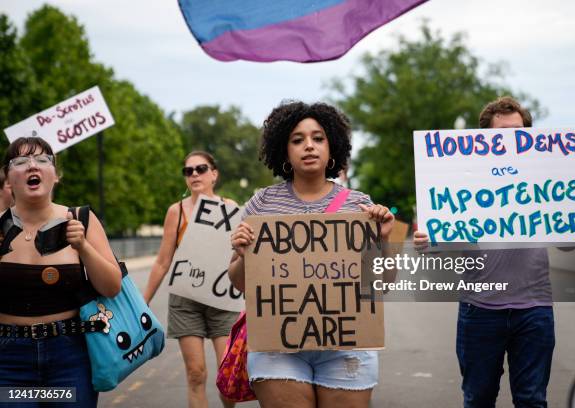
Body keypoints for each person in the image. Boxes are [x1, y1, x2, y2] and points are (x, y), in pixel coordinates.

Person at [229, 101, 395, 408]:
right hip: (276, 348)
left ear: (332, 148)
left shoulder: (360, 207)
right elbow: (240, 283)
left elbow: (380, 284)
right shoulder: (260, 204)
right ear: (284, 150)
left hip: (348, 347)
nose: (309, 146)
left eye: (318, 138)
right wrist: (242, 256)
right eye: (297, 139)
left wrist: (384, 243)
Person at [414, 96, 555, 408]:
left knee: (532, 400)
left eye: (519, 132)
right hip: (480, 310)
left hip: (534, 309)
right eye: (501, 134)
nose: (511, 140)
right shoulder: (462, 181)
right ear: (484, 139)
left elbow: (569, 241)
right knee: (478, 399)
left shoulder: (547, 179)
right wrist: (429, 241)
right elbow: (439, 243)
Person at [0, 136, 122, 407]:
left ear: (55, 175)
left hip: (69, 358)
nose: (33, 166)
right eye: (20, 161)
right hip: (9, 363)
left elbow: (112, 287)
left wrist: (83, 246)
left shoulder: (81, 219)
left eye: (43, 160)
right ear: (8, 178)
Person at [143, 151, 238, 408]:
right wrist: (143, 302)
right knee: (196, 374)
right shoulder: (176, 211)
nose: (195, 174)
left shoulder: (230, 209)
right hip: (185, 300)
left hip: (222, 300)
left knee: (228, 378)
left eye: (201, 169)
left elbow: (239, 256)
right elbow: (163, 261)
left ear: (214, 174)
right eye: (189, 171)